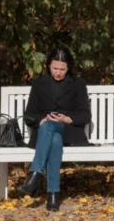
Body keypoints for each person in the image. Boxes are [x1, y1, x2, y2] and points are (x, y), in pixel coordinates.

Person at [16, 46, 89, 210]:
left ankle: (35, 177)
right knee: (54, 139)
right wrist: (42, 120)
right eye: (55, 68)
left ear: (68, 68)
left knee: (54, 131)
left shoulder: (78, 83)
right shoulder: (38, 84)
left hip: (69, 131)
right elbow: (30, 114)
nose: (58, 72)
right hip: (46, 132)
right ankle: (53, 197)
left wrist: (67, 118)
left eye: (62, 69)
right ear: (48, 66)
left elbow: (85, 115)